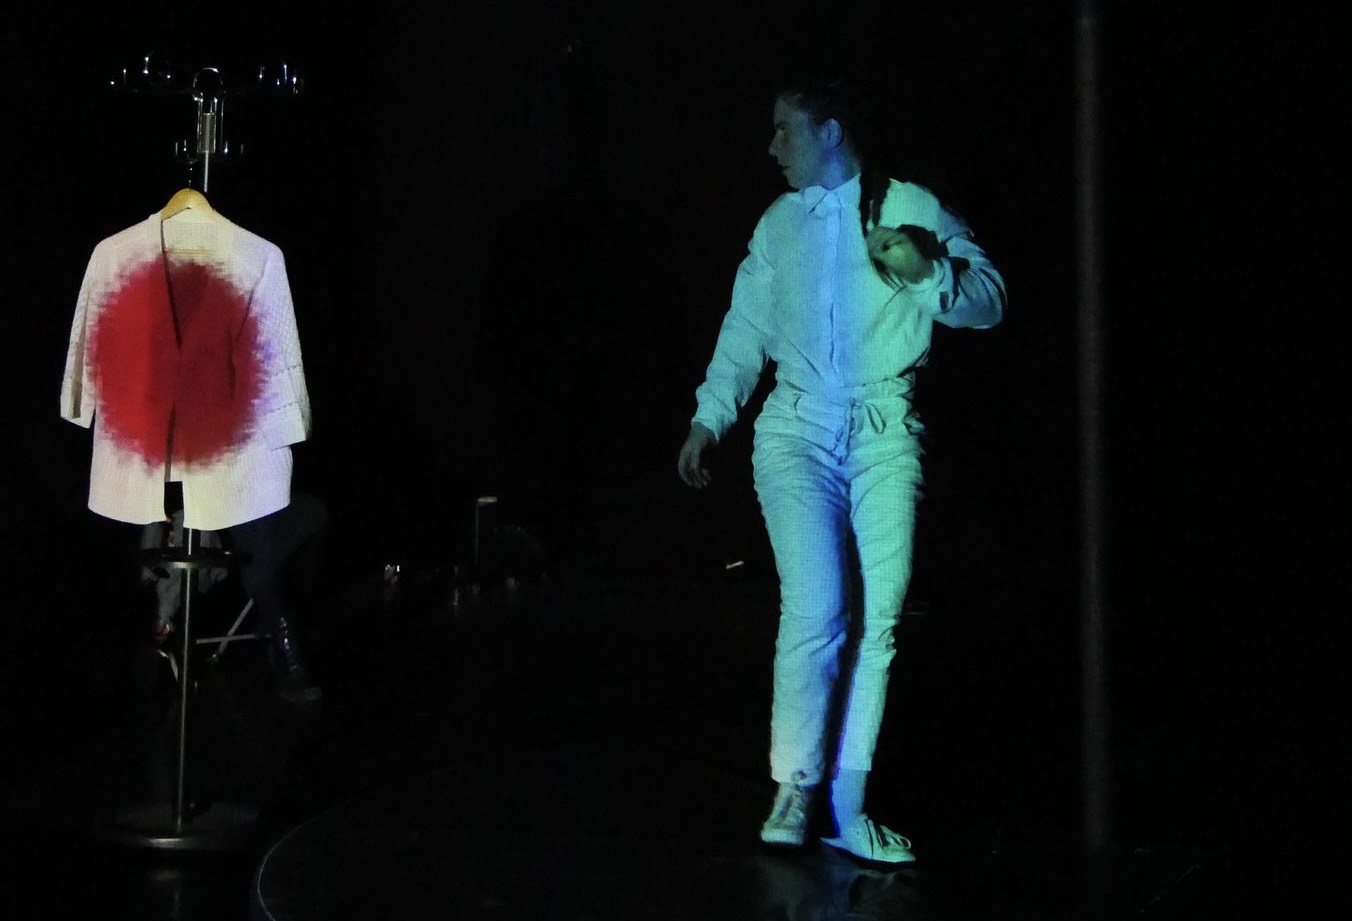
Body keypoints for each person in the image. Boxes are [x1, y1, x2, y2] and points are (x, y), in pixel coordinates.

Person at [677, 70, 1005, 864]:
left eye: (785, 129)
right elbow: (744, 326)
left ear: (829, 132)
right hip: (797, 428)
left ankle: (849, 805)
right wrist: (710, 416)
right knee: (818, 604)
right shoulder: (779, 224)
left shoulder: (911, 206)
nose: (772, 146)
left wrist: (928, 273)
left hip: (884, 426)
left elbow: (990, 300)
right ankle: (795, 782)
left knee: (878, 615)